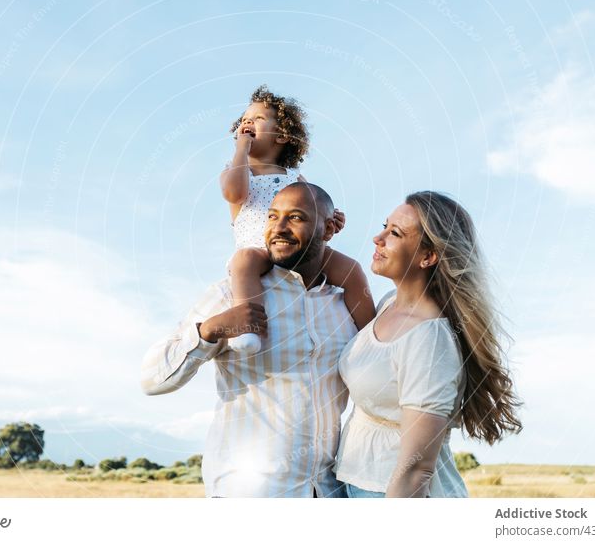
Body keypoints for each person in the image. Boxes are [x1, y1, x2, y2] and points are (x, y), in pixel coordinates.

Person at [141, 183, 359, 498]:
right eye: (272, 217)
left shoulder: (342, 305)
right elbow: (151, 380)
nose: (279, 228)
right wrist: (209, 330)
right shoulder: (230, 294)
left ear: (328, 229)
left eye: (295, 218)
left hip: (324, 491)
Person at [334, 191, 523, 498]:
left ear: (428, 256)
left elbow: (416, 470)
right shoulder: (387, 304)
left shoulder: (428, 338)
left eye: (394, 233)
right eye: (385, 226)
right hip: (358, 484)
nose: (377, 238)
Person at [221, 85, 375, 354]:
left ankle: (371, 338)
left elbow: (314, 209)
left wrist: (331, 219)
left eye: (257, 118)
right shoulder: (237, 170)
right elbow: (235, 192)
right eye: (245, 118)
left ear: (281, 136)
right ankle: (247, 327)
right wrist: (241, 150)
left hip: (300, 249)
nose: (247, 121)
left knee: (352, 271)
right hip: (259, 249)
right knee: (242, 263)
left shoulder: (295, 177)